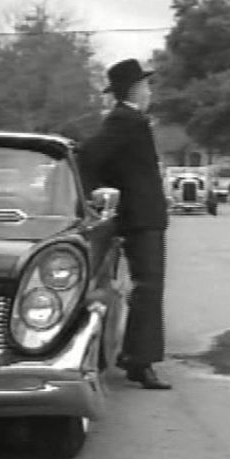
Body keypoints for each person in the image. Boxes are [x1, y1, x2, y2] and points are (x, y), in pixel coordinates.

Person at [78, 58, 171, 390]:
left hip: (141, 214)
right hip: (139, 218)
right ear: (135, 89)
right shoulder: (124, 120)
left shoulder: (132, 120)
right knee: (148, 287)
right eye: (146, 85)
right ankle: (139, 361)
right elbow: (88, 157)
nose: (150, 91)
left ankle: (134, 354)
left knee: (145, 287)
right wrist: (91, 198)